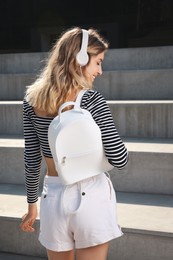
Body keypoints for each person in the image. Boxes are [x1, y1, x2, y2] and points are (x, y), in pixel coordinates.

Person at [20, 26, 128, 260]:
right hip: (91, 195)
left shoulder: (31, 100)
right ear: (80, 60)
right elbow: (120, 158)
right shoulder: (91, 100)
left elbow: (31, 158)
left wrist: (31, 204)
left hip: (53, 199)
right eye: (97, 62)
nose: (100, 70)